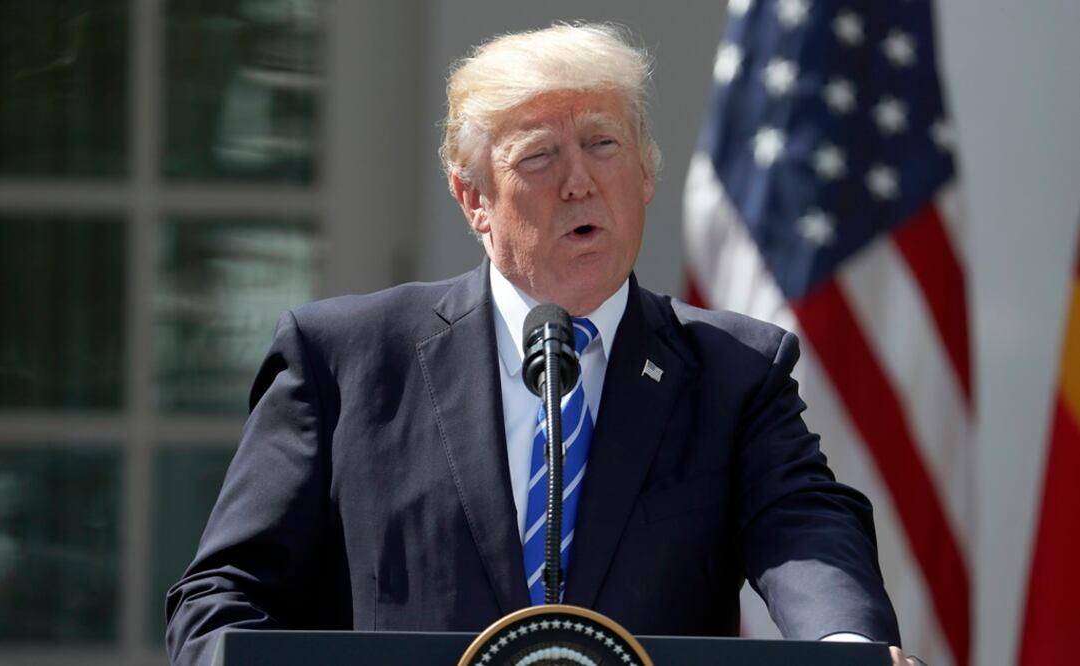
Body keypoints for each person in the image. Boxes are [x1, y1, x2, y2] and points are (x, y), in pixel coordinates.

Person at [166, 22, 919, 666]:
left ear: (647, 173)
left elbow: (805, 534)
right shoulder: (344, 358)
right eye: (538, 157)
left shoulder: (735, 372)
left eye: (602, 144)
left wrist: (845, 645)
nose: (579, 182)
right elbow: (223, 600)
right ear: (473, 200)